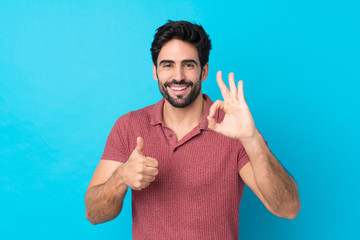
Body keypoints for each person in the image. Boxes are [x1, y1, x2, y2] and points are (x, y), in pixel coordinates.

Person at [85, 20, 300, 239]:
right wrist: (120, 178)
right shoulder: (129, 126)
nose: (178, 76)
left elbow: (288, 209)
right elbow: (94, 214)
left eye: (188, 65)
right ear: (155, 71)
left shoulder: (233, 128)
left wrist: (251, 138)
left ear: (203, 71)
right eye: (167, 65)